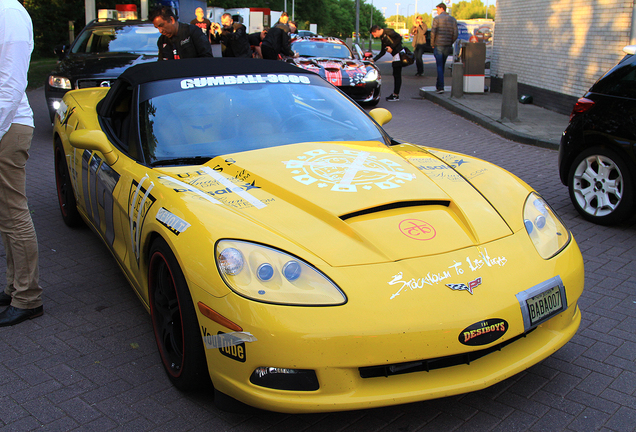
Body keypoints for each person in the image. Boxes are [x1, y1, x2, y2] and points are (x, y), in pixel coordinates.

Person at [0, 0, 44, 326]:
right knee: (6, 214)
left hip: (8, 126)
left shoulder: (10, 13)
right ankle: (15, 287)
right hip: (5, 125)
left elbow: (12, 85)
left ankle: (28, 298)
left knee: (14, 213)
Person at [370, 25, 403, 102]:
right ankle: (395, 94)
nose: (375, 36)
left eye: (374, 34)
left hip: (399, 54)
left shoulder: (388, 31)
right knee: (395, 74)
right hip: (395, 55)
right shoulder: (382, 38)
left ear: (377, 31)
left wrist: (392, 46)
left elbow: (399, 38)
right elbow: (382, 52)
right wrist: (374, 59)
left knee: (397, 75)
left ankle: (396, 95)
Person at [431, 2, 458, 93]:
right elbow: (455, 34)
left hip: (438, 45)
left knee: (439, 65)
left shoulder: (437, 19)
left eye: (437, 9)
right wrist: (450, 42)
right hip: (447, 46)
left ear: (442, 8)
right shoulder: (453, 19)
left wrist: (432, 43)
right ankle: (438, 85)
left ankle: (441, 86)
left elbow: (433, 32)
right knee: (442, 65)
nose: (437, 11)